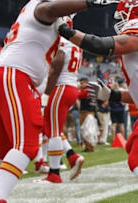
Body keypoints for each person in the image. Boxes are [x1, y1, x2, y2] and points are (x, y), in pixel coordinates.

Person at [0, 0, 117, 202]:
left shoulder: (40, 18)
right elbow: (49, 9)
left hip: (4, 77)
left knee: (0, 149)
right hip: (13, 77)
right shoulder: (42, 8)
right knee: (27, 144)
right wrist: (88, 3)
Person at [57, 0, 138, 201]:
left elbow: (101, 45)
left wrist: (65, 30)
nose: (119, 20)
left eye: (121, 15)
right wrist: (113, 95)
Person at [41, 16, 85, 183]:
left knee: (52, 132)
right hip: (71, 87)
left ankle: (54, 173)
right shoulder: (76, 42)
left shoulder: (62, 40)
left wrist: (46, 94)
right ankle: (72, 156)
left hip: (61, 87)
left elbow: (56, 67)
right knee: (53, 128)